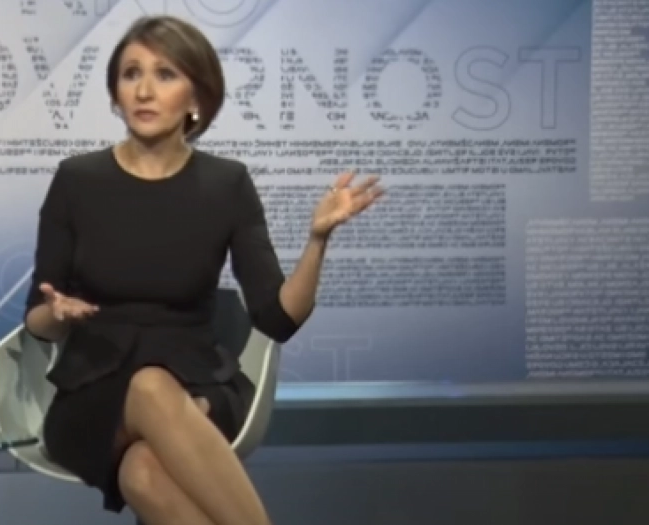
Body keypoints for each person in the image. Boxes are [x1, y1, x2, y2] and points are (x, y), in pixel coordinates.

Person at [23, 15, 383, 525]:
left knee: (143, 472)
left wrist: (317, 240)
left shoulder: (226, 184)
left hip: (197, 380)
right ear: (115, 94)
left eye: (165, 74)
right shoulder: (77, 180)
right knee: (148, 389)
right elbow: (37, 320)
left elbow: (278, 318)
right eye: (131, 74)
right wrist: (57, 314)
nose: (144, 90)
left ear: (197, 97)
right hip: (92, 391)